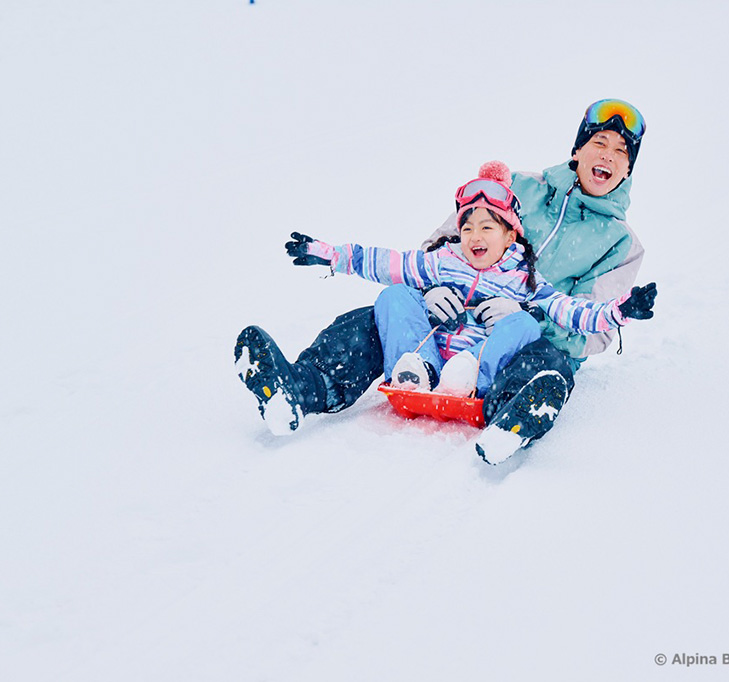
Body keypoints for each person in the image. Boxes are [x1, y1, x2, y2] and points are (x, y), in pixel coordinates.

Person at [235, 98, 653, 464]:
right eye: (599, 143)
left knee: (548, 363)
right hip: (448, 322)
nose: (608, 156)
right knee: (382, 312)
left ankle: (512, 421)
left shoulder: (621, 243)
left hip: (524, 340)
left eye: (621, 151)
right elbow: (441, 244)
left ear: (629, 167)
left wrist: (525, 314)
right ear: (578, 149)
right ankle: (299, 389)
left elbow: (590, 327)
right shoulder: (519, 187)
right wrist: (432, 288)